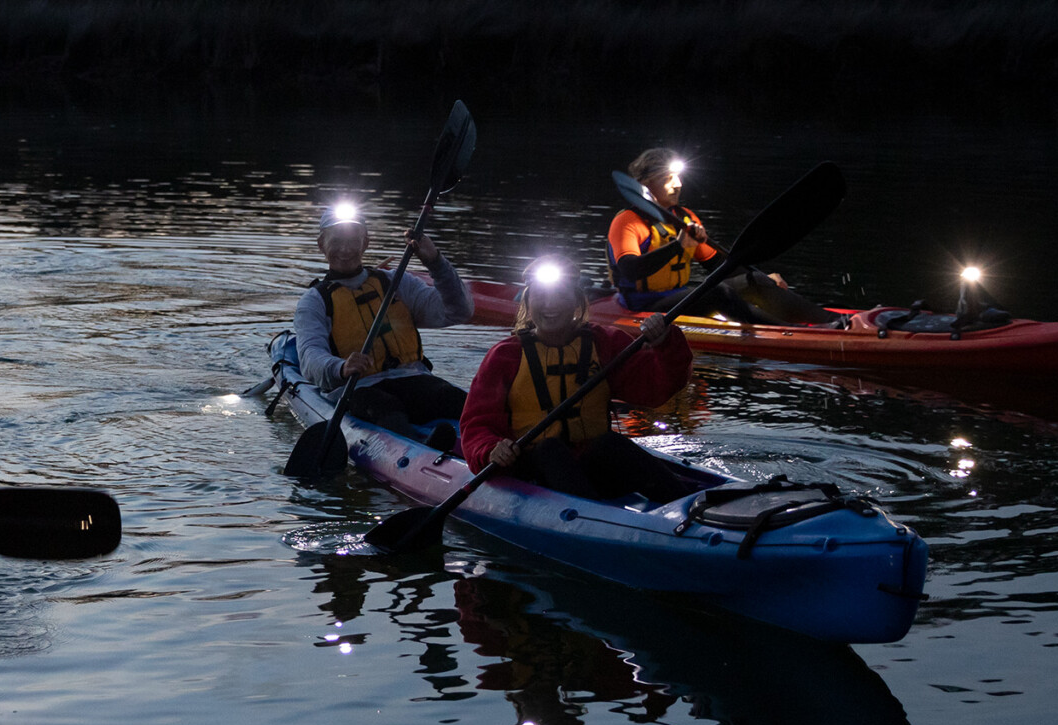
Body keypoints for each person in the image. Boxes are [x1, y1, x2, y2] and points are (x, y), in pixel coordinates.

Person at [459, 260, 706, 507]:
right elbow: (477, 423)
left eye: (560, 296)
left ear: (577, 301)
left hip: (592, 468)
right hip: (532, 471)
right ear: (527, 302)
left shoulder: (606, 342)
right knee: (551, 449)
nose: (550, 305)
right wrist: (490, 449)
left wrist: (665, 343)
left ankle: (689, 505)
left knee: (612, 443)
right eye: (540, 296)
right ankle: (591, 517)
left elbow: (656, 389)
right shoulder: (505, 356)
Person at [293, 200, 474, 448]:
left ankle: (493, 447)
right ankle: (421, 452)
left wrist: (435, 262)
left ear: (365, 243)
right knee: (387, 409)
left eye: (352, 240)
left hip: (412, 378)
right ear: (321, 245)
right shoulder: (315, 301)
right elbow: (310, 357)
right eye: (336, 241)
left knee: (458, 400)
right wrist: (341, 367)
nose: (345, 249)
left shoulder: (397, 282)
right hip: (357, 389)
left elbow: (458, 311)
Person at [606, 148, 835, 325]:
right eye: (668, 178)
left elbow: (717, 264)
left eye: (678, 177)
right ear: (646, 185)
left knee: (753, 281)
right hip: (640, 304)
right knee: (717, 292)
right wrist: (677, 247)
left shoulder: (685, 218)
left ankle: (831, 322)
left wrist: (761, 277)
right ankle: (789, 333)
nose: (679, 184)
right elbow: (629, 269)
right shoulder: (627, 221)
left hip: (675, 295)